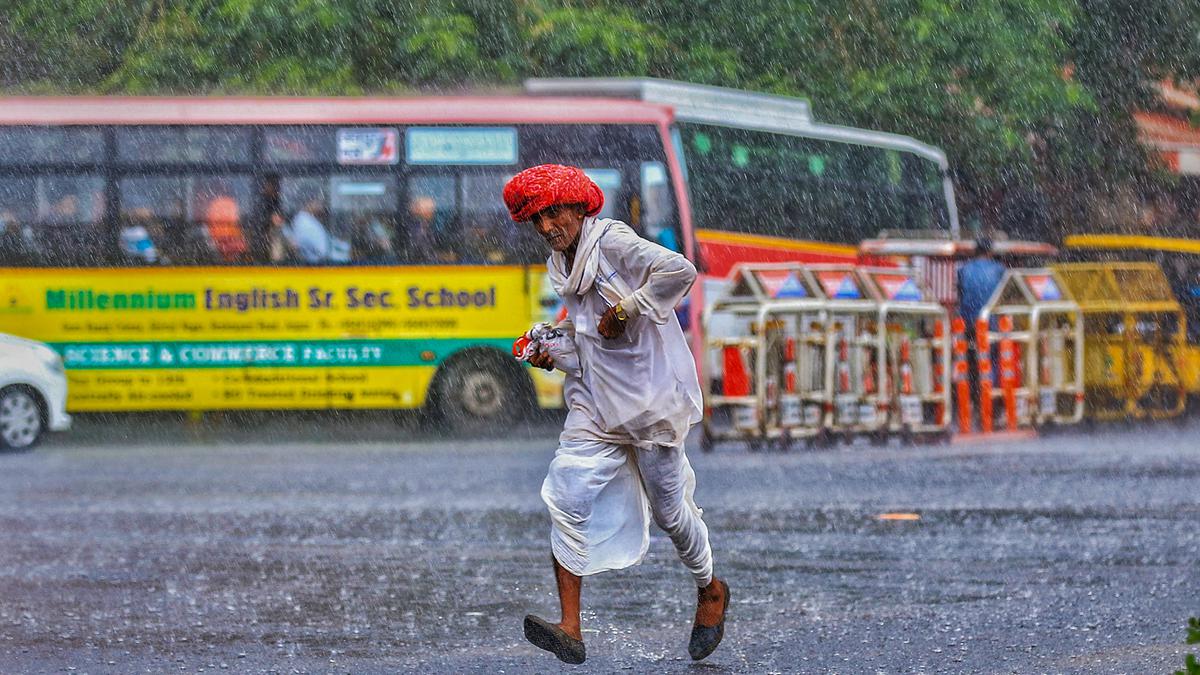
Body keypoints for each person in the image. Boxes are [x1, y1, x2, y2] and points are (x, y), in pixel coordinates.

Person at [502, 164, 729, 665]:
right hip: (595, 404)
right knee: (566, 495)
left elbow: (680, 271)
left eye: (553, 213)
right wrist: (551, 351)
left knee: (672, 514)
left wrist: (628, 307)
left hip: (649, 403)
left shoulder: (614, 242)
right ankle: (570, 627)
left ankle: (710, 588)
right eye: (535, 219)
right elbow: (586, 342)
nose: (545, 227)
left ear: (580, 207)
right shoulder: (561, 264)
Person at [286, 195, 332, 263]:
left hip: (317, 264)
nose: (320, 206)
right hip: (314, 266)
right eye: (318, 202)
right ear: (310, 203)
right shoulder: (304, 222)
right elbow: (322, 250)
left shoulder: (309, 220)